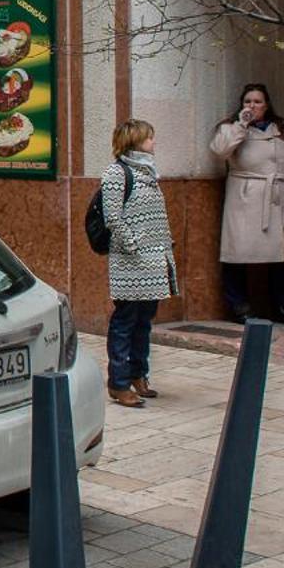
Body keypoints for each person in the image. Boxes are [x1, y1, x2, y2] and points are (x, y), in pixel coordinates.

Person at [209, 82, 284, 324]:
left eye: (257, 102)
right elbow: (219, 151)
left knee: (281, 258)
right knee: (238, 254)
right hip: (245, 199)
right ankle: (239, 306)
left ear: (267, 105)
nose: (252, 106)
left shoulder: (283, 129)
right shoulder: (230, 127)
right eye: (247, 101)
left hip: (281, 199)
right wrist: (241, 124)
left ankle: (282, 305)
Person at [100, 118, 177, 409]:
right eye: (150, 138)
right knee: (125, 321)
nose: (154, 142)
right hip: (131, 264)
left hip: (154, 262)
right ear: (135, 141)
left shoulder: (148, 172)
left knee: (144, 321)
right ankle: (118, 382)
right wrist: (133, 245)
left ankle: (138, 374)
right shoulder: (117, 173)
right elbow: (113, 217)